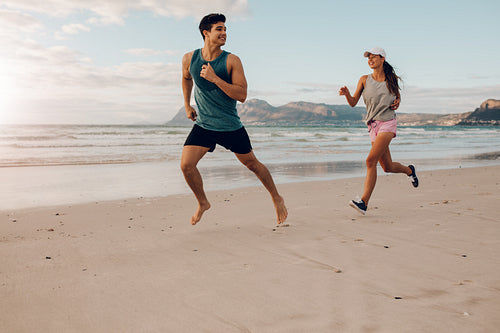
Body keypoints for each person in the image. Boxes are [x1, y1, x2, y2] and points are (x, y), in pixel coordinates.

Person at [180, 13, 288, 225]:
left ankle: (276, 197)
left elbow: (242, 95)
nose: (224, 33)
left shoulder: (231, 60)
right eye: (219, 29)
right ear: (206, 33)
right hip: (204, 125)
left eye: (225, 29)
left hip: (230, 126)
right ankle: (203, 202)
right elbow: (185, 78)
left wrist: (214, 78)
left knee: (252, 164)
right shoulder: (189, 58)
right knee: (186, 166)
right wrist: (186, 104)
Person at [339, 47, 419, 215]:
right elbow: (353, 102)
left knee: (370, 161)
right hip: (373, 126)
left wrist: (398, 101)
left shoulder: (391, 79)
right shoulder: (364, 79)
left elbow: (397, 98)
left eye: (373, 57)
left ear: (382, 59)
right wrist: (347, 94)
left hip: (388, 124)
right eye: (368, 58)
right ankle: (410, 171)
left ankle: (364, 203)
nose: (370, 60)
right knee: (387, 167)